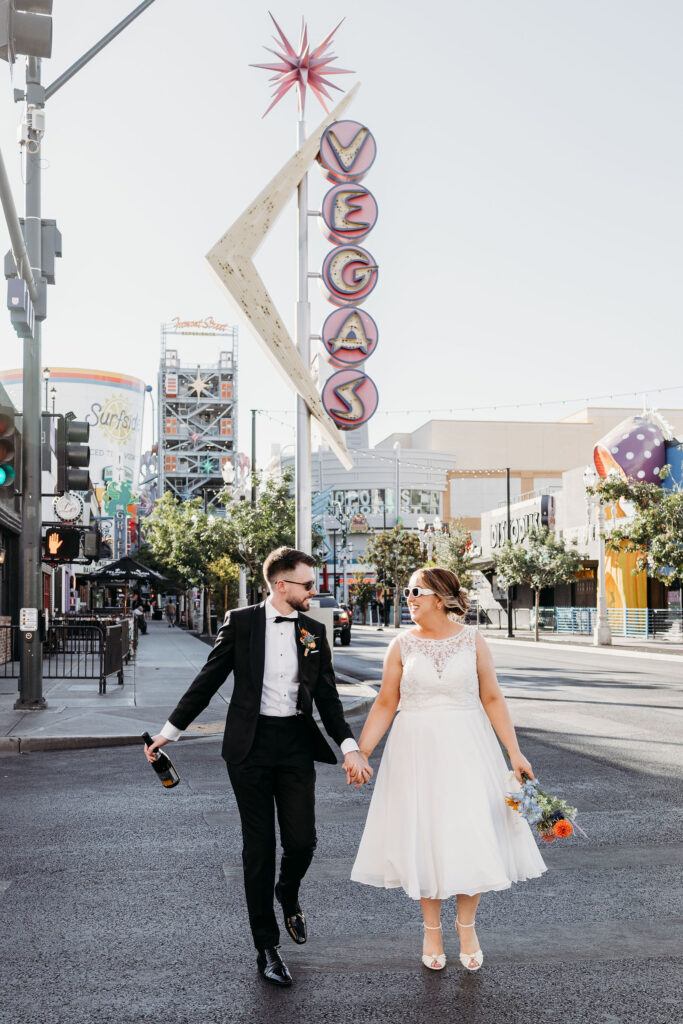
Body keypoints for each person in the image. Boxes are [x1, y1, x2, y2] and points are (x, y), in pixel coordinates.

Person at [145, 547, 371, 987]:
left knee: (302, 842)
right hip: (249, 748)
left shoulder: (311, 630)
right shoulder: (242, 622)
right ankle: (266, 947)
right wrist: (168, 733)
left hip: (295, 745)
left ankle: (288, 892)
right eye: (308, 584)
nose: (314, 591)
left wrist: (348, 747)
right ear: (281, 585)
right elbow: (206, 681)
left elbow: (327, 696)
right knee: (259, 848)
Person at [350, 566, 546, 972]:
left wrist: (515, 752)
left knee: (469, 832)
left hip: (468, 747)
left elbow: (492, 697)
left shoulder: (473, 640)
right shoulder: (401, 645)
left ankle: (467, 925)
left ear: (440, 597)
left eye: (416, 591)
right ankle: (431, 930)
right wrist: (362, 752)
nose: (408, 598)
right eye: (407, 591)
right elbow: (386, 702)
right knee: (426, 833)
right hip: (415, 751)